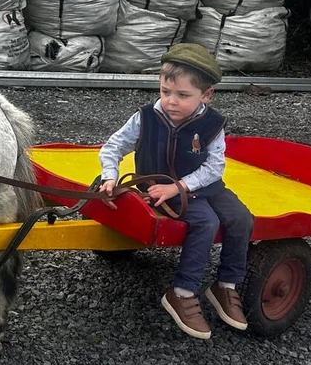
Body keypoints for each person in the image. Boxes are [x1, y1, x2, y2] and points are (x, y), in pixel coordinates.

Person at [98, 43, 254, 339]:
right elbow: (113, 147)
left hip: (196, 185)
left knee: (241, 218)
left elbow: (214, 168)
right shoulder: (145, 117)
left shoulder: (212, 125)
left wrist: (179, 186)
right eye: (165, 91)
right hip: (157, 186)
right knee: (206, 222)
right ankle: (182, 292)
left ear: (205, 95)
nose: (171, 101)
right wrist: (110, 175)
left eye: (183, 95)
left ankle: (226, 286)